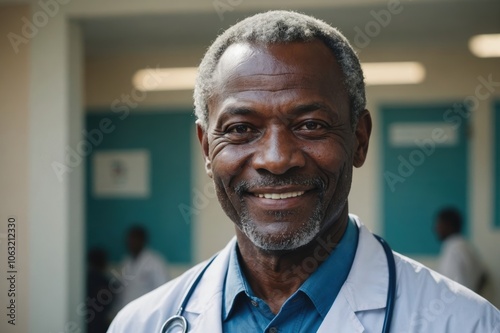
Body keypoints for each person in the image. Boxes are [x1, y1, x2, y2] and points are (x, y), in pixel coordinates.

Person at [109, 11, 500, 332]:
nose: (277, 159)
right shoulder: (141, 324)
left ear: (359, 139)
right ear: (208, 149)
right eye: (241, 128)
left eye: (310, 124)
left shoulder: (465, 322)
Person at [113, 225, 170, 314]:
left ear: (143, 240)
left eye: (134, 239)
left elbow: (162, 289)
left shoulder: (155, 262)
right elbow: (121, 291)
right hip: (126, 310)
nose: (131, 242)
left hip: (146, 311)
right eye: (130, 239)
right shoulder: (126, 261)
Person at [435, 207, 487, 293]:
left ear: (448, 225)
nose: (436, 228)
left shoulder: (453, 248)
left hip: (456, 302)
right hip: (469, 301)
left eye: (439, 224)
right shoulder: (466, 245)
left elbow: (452, 285)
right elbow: (483, 277)